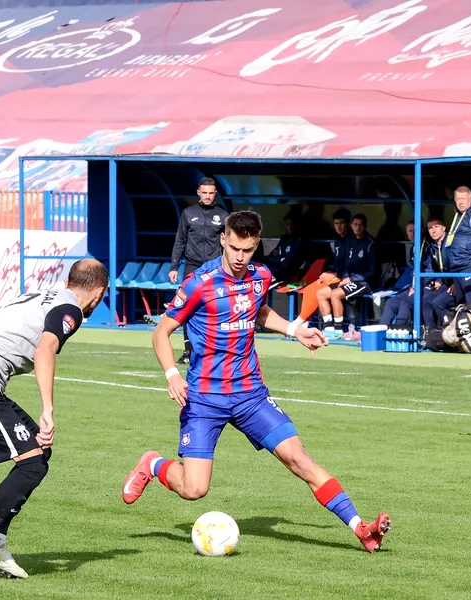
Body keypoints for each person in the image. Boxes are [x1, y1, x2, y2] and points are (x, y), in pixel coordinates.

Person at [121, 211, 390, 553]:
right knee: (194, 489)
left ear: (256, 245)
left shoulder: (260, 276)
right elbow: (162, 331)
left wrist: (294, 330)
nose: (239, 257)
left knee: (300, 460)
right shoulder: (199, 283)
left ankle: (361, 528)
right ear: (223, 239)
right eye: (234, 248)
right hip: (204, 398)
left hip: (250, 395)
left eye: (247, 250)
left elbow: (258, 311)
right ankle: (153, 464)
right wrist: (172, 375)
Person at [0, 259, 109, 583]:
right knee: (32, 463)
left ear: (67, 280)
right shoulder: (70, 309)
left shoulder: (38, 295)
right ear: (100, 293)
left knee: (39, 452)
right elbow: (45, 351)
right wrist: (48, 409)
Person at [168, 177, 229, 364]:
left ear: (215, 194)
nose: (208, 196)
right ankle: (189, 351)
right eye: (205, 193)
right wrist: (174, 267)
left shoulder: (224, 215)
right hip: (192, 267)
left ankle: (215, 349)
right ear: (198, 193)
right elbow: (180, 241)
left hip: (215, 268)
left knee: (216, 308)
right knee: (188, 307)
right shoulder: (188, 213)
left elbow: (229, 244)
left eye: (211, 193)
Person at [316, 213, 377, 337]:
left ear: (365, 226)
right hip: (347, 279)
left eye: (361, 225)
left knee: (335, 294)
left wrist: (351, 279)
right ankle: (329, 328)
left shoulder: (370, 244)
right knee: (320, 294)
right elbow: (345, 265)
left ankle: (338, 330)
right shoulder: (350, 242)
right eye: (355, 224)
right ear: (351, 225)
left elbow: (373, 271)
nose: (358, 228)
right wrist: (336, 275)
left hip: (364, 283)